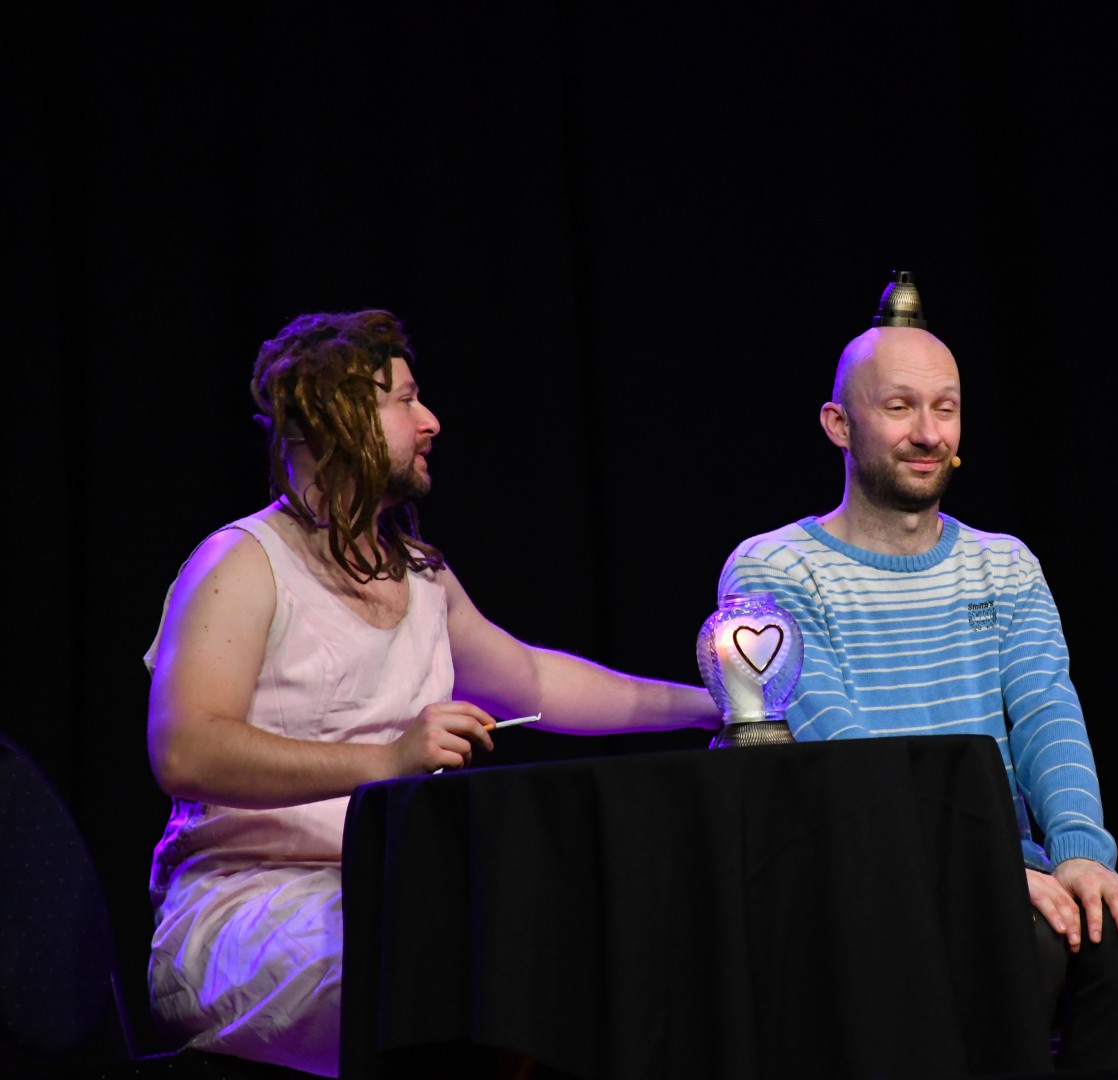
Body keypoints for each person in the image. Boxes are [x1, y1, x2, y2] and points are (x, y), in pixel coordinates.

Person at [144, 309, 720, 1077]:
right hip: (249, 910)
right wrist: (386, 760)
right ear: (335, 417)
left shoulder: (420, 575)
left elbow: (536, 680)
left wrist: (716, 704)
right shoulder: (241, 561)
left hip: (386, 890)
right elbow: (186, 750)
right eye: (404, 400)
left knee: (569, 941)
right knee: (450, 967)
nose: (431, 421)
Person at [718, 275, 1118, 1072]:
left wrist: (1080, 854)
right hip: (868, 874)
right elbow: (844, 752)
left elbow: (1046, 713)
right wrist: (994, 869)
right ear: (839, 424)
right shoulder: (775, 568)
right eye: (899, 407)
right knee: (1024, 945)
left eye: (945, 408)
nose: (928, 433)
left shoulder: (1003, 564)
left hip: (1005, 865)